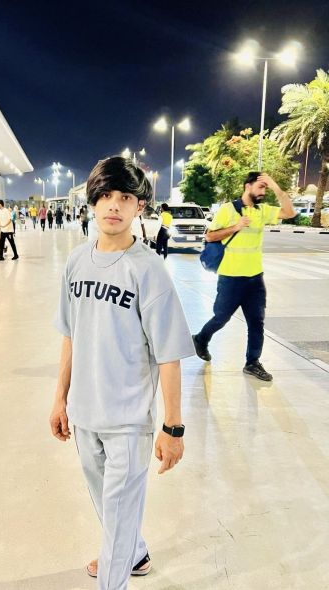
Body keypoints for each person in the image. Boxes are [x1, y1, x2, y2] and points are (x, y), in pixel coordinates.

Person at [50, 156, 194, 589]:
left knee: (117, 513)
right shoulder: (77, 262)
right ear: (93, 202)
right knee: (108, 505)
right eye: (106, 195)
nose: (114, 205)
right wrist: (60, 399)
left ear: (139, 206)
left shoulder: (148, 270)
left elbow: (169, 355)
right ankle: (135, 552)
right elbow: (71, 335)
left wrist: (173, 427)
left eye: (126, 197)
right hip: (85, 415)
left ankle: (115, 576)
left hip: (128, 421)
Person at [192, 172, 296, 381]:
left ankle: (252, 362)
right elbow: (210, 236)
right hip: (230, 278)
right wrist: (236, 227)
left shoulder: (262, 211)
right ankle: (201, 339)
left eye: (265, 188)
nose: (263, 191)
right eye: (261, 187)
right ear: (248, 186)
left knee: (256, 322)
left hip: (255, 279)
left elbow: (289, 212)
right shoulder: (228, 209)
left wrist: (275, 186)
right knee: (221, 318)